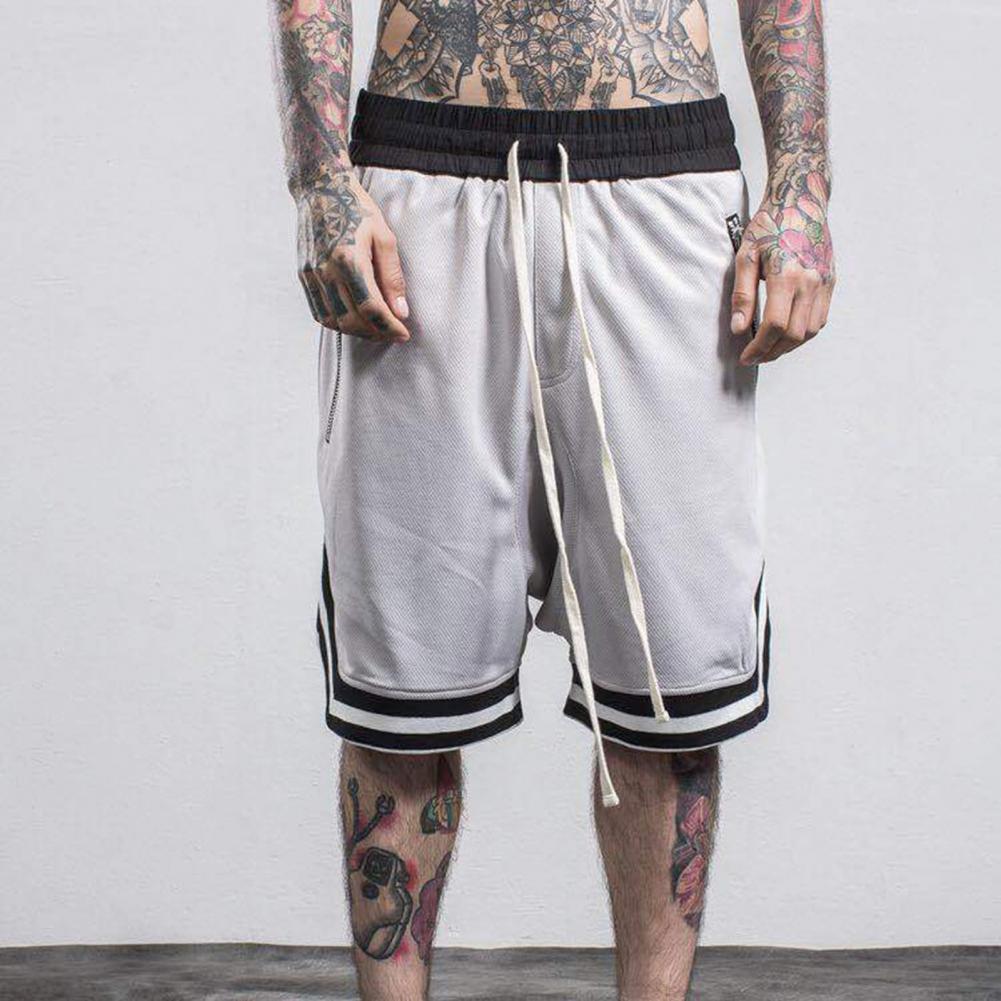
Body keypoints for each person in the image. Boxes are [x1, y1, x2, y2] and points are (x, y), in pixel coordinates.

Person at [273, 1, 835, 997]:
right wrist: (319, 176)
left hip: (660, 185)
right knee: (401, 695)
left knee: (670, 691)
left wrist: (802, 182)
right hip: (420, 184)